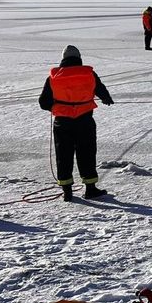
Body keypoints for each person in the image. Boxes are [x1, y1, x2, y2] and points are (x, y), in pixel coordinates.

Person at [38, 45, 114, 201]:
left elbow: (43, 102)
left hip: (62, 123)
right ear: (79, 58)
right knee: (86, 153)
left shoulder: (53, 77)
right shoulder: (89, 74)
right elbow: (101, 91)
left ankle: (67, 191)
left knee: (63, 155)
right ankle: (90, 189)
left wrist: (59, 107)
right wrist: (107, 99)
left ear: (63, 59)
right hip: (85, 121)